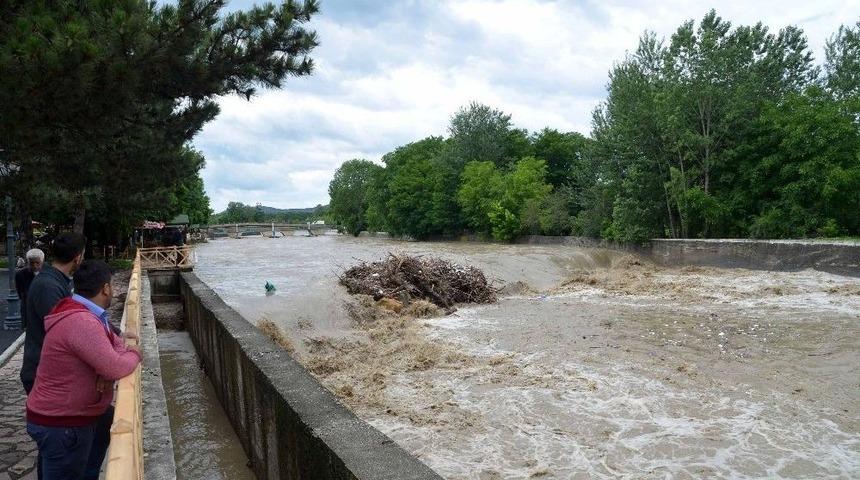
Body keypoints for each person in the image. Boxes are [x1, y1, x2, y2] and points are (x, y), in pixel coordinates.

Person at [26, 260, 141, 480]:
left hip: (63, 418)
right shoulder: (82, 321)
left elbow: (115, 343)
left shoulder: (80, 311)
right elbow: (115, 365)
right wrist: (135, 353)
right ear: (105, 288)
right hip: (62, 423)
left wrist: (107, 366)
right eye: (111, 286)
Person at [20, 232, 85, 394]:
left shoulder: (55, 281)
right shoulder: (48, 286)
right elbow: (66, 331)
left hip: (48, 371)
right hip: (43, 374)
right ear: (77, 258)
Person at [15, 248, 45, 328]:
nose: (35, 266)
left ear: (42, 261)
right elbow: (21, 293)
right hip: (28, 310)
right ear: (27, 262)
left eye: (37, 263)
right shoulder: (20, 275)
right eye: (32, 263)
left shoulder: (48, 273)